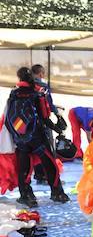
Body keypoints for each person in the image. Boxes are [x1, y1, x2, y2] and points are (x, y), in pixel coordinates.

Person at [4, 67, 68, 207]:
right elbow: (45, 117)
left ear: (19, 78)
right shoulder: (37, 93)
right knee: (50, 165)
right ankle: (57, 193)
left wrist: (16, 135)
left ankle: (27, 196)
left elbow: (8, 117)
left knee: (23, 169)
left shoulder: (14, 93)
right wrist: (57, 128)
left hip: (20, 138)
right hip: (37, 137)